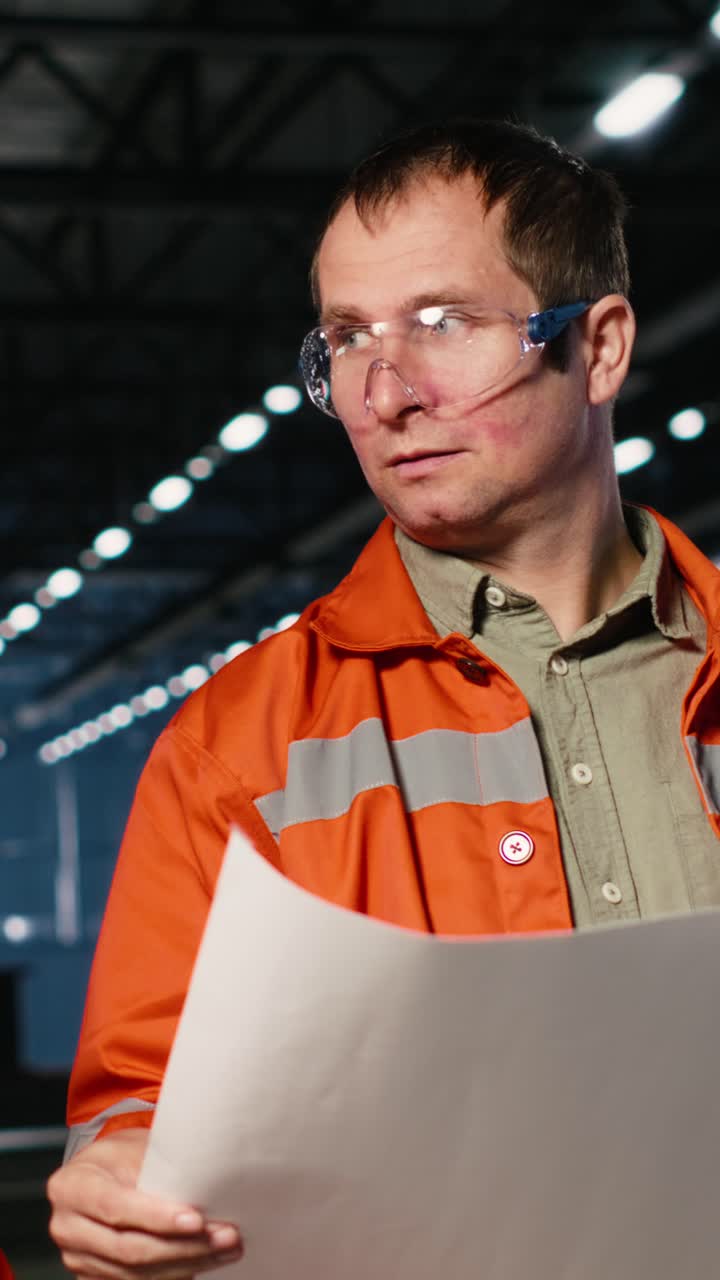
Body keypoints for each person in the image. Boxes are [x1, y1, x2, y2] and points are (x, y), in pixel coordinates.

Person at [48, 117, 720, 1276]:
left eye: (444, 322)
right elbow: (140, 1099)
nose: (383, 388)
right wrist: (121, 1170)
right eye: (347, 335)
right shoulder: (239, 744)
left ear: (599, 347)